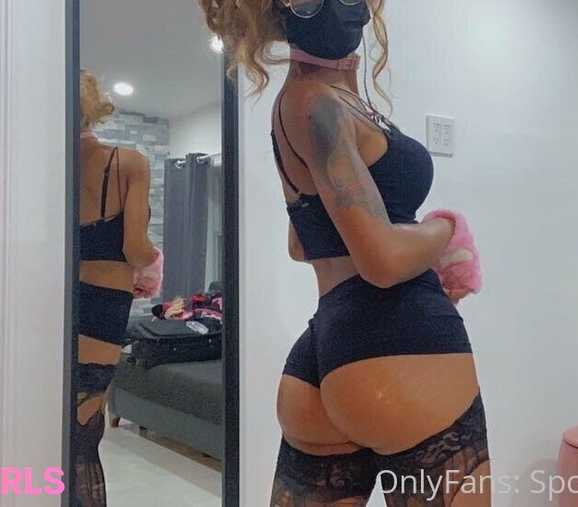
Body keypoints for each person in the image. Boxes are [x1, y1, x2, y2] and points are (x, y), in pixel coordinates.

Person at [200, 1, 490, 505]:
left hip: (322, 355)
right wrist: (447, 230)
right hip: (403, 341)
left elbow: (301, 243)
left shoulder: (303, 103)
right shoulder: (318, 104)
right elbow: (383, 263)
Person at [74, 70, 159, 506]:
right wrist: (151, 263)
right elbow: (135, 249)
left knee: (47, 423)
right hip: (103, 304)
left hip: (53, 299)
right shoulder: (129, 162)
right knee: (83, 433)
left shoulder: (48, 166)